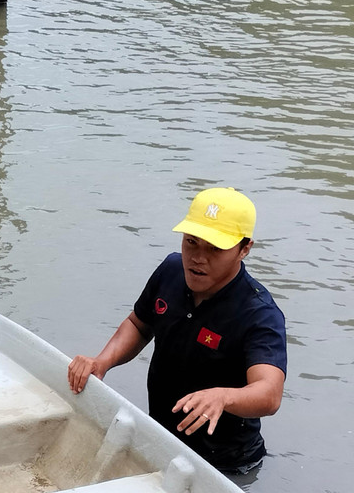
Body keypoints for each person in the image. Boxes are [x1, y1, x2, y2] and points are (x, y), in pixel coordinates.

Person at [67, 187, 287, 475]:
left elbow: (269, 394)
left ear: (244, 248)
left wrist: (223, 397)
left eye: (215, 249)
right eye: (191, 242)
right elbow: (139, 324)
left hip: (226, 462)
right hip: (162, 439)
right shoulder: (171, 270)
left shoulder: (259, 314)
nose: (198, 257)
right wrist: (102, 361)